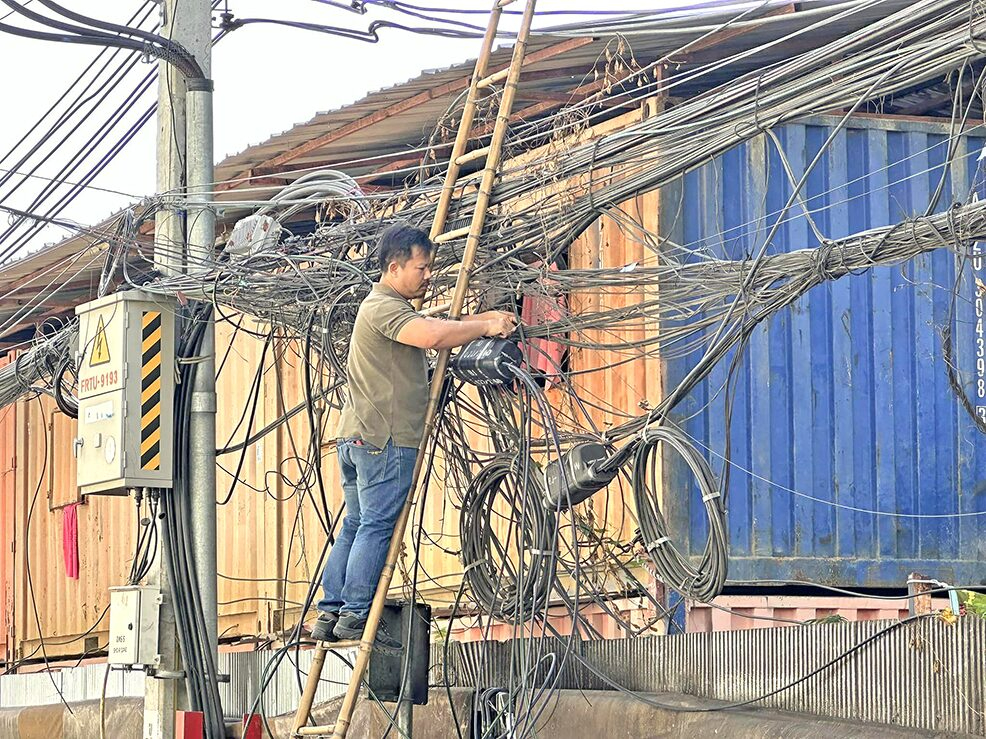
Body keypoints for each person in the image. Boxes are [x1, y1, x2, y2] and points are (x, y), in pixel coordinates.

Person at [311, 222, 516, 649]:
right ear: (394, 267)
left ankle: (330, 612)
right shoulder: (382, 306)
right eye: (421, 268)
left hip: (359, 436)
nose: (427, 275)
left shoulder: (387, 307)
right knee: (375, 525)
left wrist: (485, 321)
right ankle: (353, 614)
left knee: (355, 524)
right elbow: (432, 335)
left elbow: (435, 326)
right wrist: (483, 327)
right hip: (385, 439)